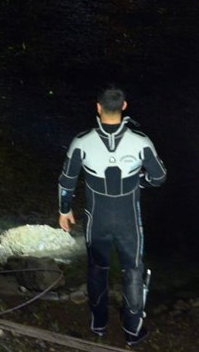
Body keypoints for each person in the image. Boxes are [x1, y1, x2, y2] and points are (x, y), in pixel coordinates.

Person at [58, 86, 166, 346]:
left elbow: (67, 180)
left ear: (98, 107)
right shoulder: (141, 142)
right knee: (133, 270)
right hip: (128, 218)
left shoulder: (81, 142)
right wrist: (139, 183)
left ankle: (99, 324)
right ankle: (132, 331)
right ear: (124, 106)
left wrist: (64, 210)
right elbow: (159, 177)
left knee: (97, 269)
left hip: (98, 218)